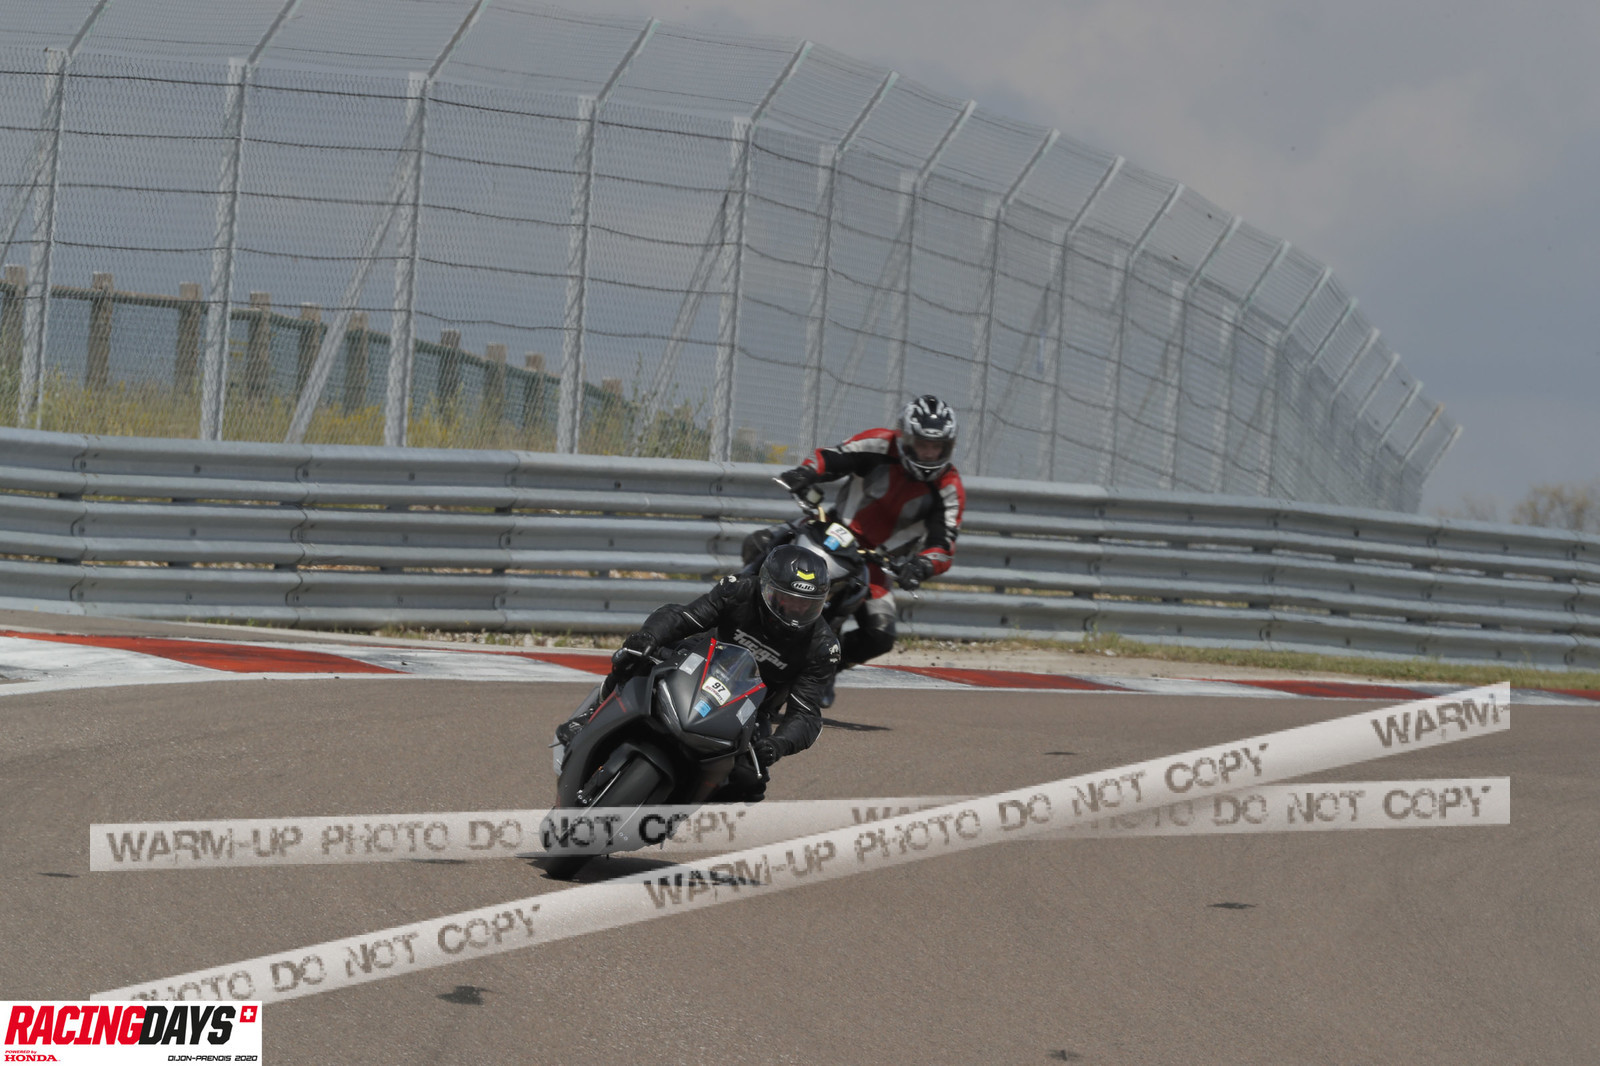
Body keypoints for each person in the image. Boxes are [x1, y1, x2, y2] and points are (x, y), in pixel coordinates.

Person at [742, 395, 965, 703]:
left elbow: (944, 544)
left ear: (948, 446)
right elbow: (833, 456)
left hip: (877, 563)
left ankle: (825, 669)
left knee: (881, 634)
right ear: (905, 437)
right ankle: (729, 609)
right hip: (830, 530)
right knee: (761, 543)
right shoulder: (879, 443)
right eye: (922, 443)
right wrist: (806, 472)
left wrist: (922, 565)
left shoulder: (949, 487)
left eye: (936, 446)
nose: (929, 452)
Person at [607, 543, 840, 803]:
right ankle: (590, 715)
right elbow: (686, 617)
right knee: (634, 658)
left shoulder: (822, 647)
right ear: (765, 587)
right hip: (697, 662)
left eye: (806, 604)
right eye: (788, 599)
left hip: (752, 709)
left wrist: (778, 744)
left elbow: (806, 714)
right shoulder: (738, 590)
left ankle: (672, 811)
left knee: (749, 782)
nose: (797, 611)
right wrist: (649, 636)